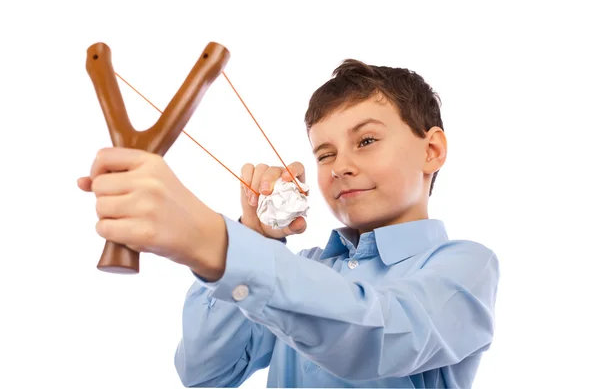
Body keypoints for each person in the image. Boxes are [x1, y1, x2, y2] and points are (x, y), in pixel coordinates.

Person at [77, 59, 499, 388]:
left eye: (366, 141)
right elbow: (204, 370)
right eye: (324, 154)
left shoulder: (463, 266)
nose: (341, 167)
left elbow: (377, 335)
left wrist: (221, 247)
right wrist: (252, 235)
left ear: (432, 151)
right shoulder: (305, 268)